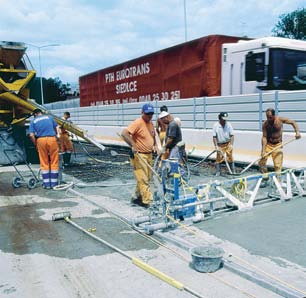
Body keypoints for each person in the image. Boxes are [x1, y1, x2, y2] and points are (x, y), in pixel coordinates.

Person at [121, 103, 157, 208]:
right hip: (139, 156)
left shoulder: (150, 123)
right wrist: (133, 145)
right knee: (143, 179)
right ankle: (147, 201)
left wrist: (154, 145)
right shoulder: (138, 122)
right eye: (147, 114)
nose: (149, 116)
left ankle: (136, 197)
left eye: (151, 114)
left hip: (149, 155)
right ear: (142, 113)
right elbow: (124, 133)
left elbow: (152, 136)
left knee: (146, 178)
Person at [258, 108, 301, 181]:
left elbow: (293, 122)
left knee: (278, 165)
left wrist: (297, 132)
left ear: (274, 115)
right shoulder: (265, 124)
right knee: (261, 162)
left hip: (278, 145)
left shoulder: (280, 120)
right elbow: (264, 137)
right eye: (267, 117)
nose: (269, 119)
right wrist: (263, 150)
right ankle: (265, 177)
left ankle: (278, 181)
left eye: (270, 117)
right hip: (268, 144)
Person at [29, 109, 59, 189]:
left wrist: (36, 144)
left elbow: (31, 135)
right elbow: (56, 129)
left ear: (35, 114)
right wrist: (55, 137)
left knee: (44, 161)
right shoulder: (49, 117)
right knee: (54, 160)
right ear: (41, 113)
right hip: (52, 139)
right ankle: (54, 184)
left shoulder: (33, 121)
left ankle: (46, 184)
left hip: (41, 140)